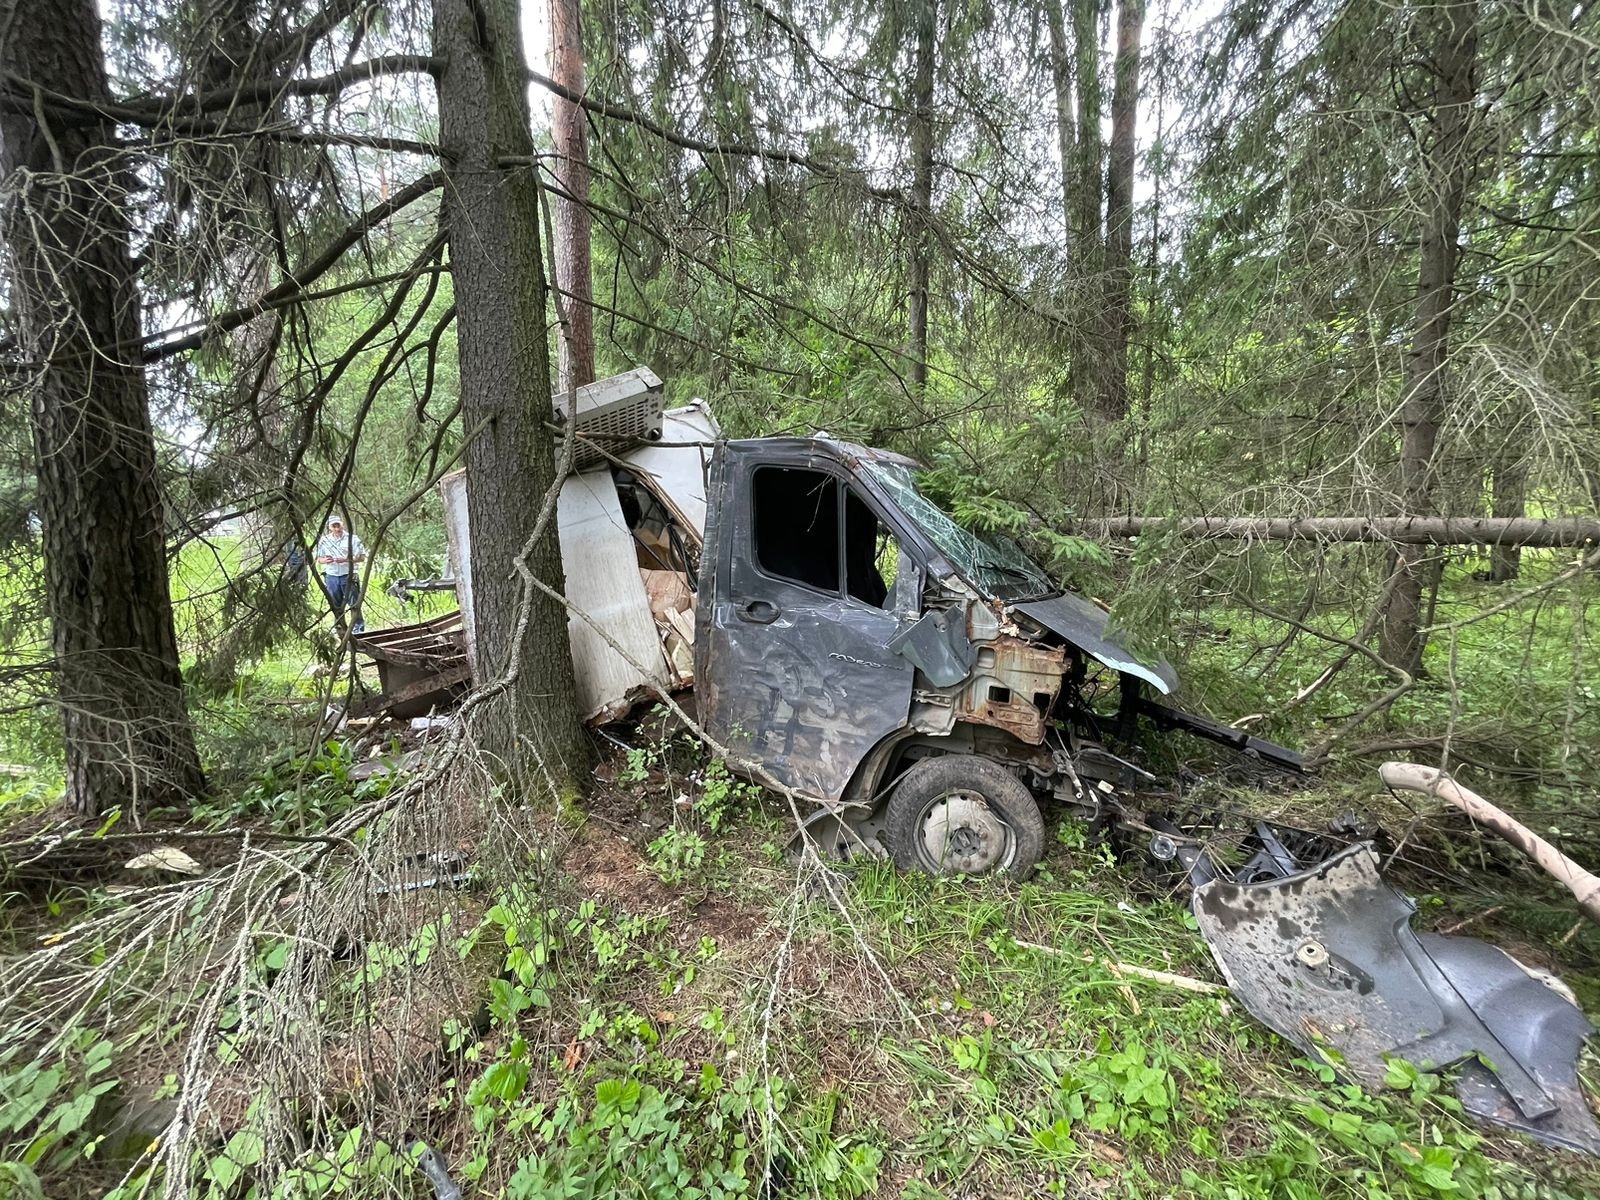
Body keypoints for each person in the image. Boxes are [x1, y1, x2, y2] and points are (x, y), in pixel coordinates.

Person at [315, 514, 367, 633]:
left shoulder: (353, 539)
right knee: (335, 603)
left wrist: (347, 559)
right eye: (334, 526)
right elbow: (319, 559)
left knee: (353, 601)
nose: (337, 529)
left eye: (339, 525)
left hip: (348, 575)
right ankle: (340, 626)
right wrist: (326, 560)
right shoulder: (324, 540)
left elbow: (362, 557)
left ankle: (358, 626)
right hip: (332, 576)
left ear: (342, 525)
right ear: (330, 527)